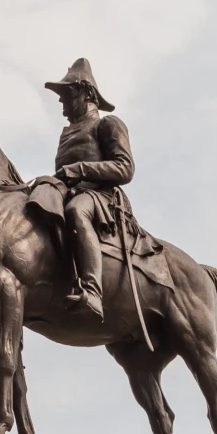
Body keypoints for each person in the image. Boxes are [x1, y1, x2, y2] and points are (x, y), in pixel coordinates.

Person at [44, 59, 133, 320]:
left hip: (100, 198)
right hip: (69, 192)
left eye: (67, 97)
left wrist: (79, 169)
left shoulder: (107, 124)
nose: (62, 106)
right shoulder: (67, 134)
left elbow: (125, 168)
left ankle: (92, 290)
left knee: (76, 211)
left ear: (87, 93)